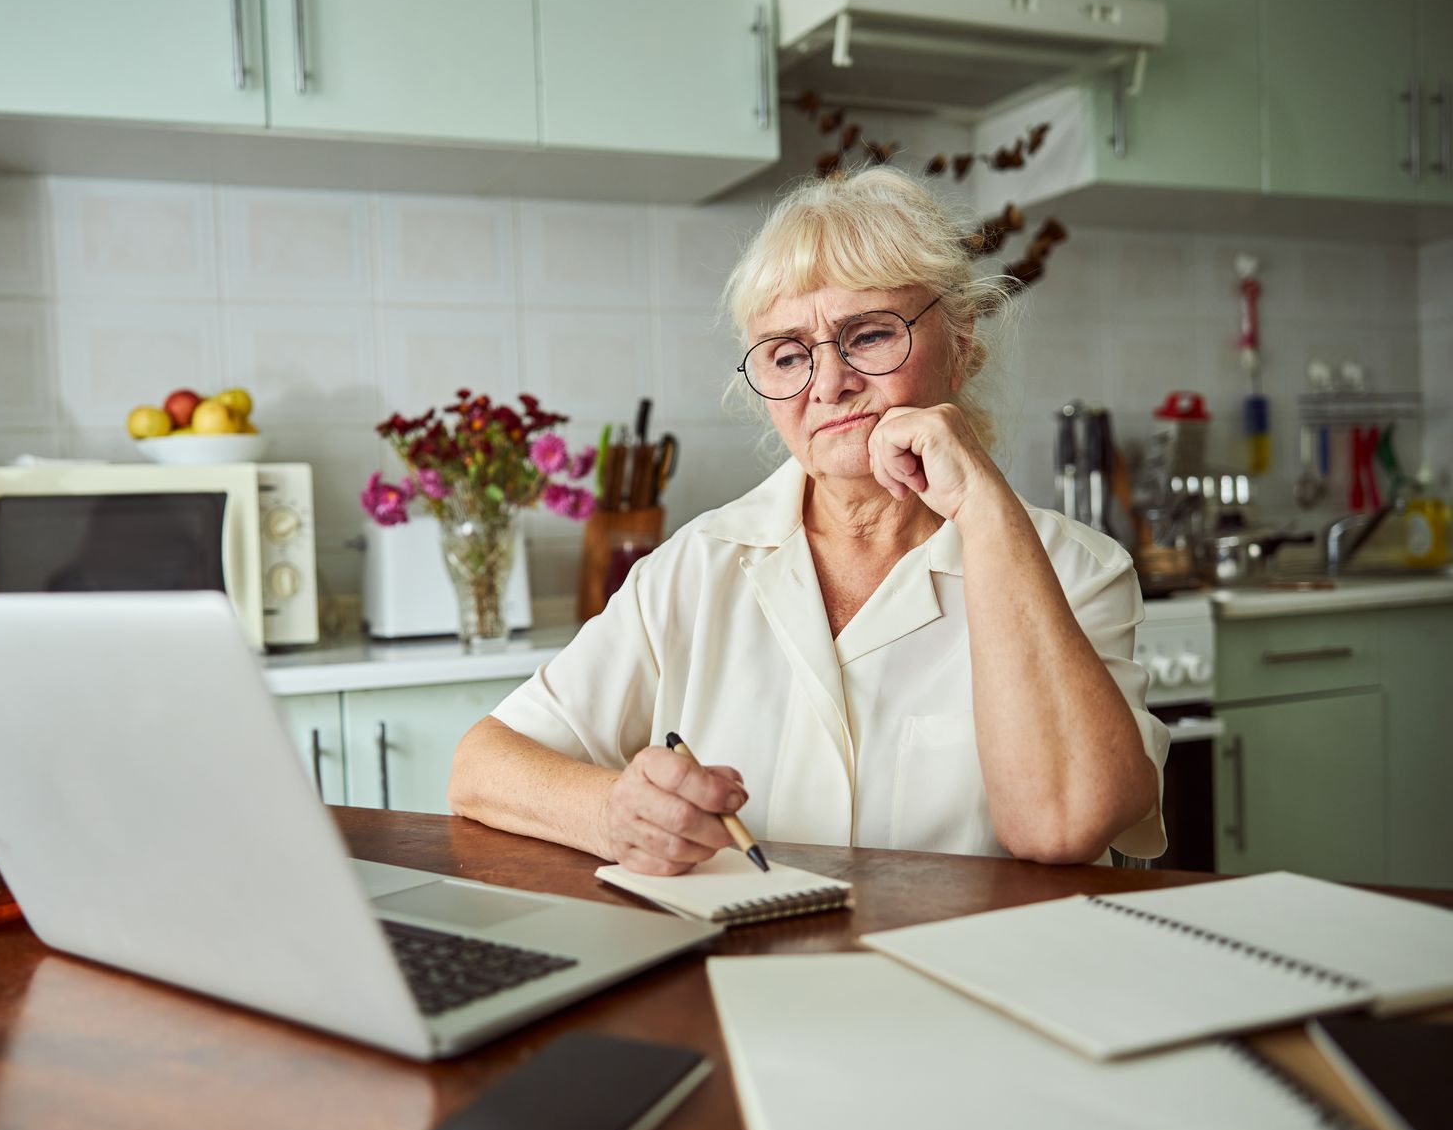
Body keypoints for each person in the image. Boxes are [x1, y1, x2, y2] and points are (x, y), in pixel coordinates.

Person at [448, 169, 1166, 875]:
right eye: (788, 355)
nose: (829, 384)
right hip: (748, 974)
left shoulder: (1075, 569)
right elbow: (481, 767)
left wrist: (982, 507)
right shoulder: (700, 564)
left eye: (871, 336)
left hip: (974, 978)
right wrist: (614, 812)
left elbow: (1065, 824)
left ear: (961, 342)